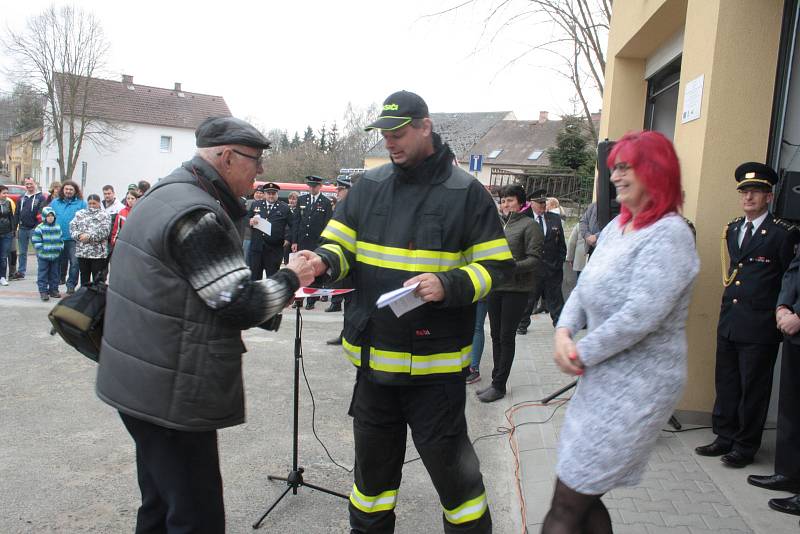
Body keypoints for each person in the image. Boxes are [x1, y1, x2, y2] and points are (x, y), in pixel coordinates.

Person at [299, 90, 513, 533]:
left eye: (398, 134)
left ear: (425, 127)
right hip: (375, 369)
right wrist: (320, 263)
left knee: (460, 489)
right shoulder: (368, 188)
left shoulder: (466, 193)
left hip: (435, 375)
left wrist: (448, 283)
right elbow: (339, 246)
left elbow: (497, 268)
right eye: (384, 135)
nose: (390, 143)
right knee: (371, 487)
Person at [96, 116, 314, 533]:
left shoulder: (167, 192)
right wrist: (292, 278)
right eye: (256, 160)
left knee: (160, 505)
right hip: (169, 392)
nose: (261, 171)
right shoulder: (196, 213)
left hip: (141, 379)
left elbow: (191, 291)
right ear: (227, 157)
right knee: (197, 517)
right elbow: (237, 303)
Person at [544, 130, 699, 533]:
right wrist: (564, 330)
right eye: (614, 168)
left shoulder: (670, 235)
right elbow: (584, 286)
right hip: (602, 378)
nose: (615, 176)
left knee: (569, 498)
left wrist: (580, 352)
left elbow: (639, 316)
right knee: (583, 493)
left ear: (656, 171)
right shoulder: (618, 226)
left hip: (639, 386)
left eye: (626, 167)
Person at [695, 162, 799, 468]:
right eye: (744, 192)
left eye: (756, 192)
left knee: (753, 388)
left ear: (769, 196)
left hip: (760, 324)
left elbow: (788, 278)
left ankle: (745, 445)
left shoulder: (783, 234)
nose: (748, 197)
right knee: (726, 383)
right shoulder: (733, 229)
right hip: (731, 320)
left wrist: (782, 310)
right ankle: (724, 436)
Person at [477, 184, 543, 403]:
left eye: (510, 200)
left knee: (506, 337)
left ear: (521, 202)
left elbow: (534, 259)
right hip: (496, 287)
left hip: (516, 290)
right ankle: (496, 380)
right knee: (495, 335)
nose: (505, 204)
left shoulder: (530, 225)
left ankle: (499, 385)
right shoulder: (499, 225)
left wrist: (512, 267)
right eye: (503, 200)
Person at [746, 247, 800, 517]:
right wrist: (783, 306)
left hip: (797, 322)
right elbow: (794, 271)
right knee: (791, 409)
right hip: (793, 329)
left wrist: (798, 315)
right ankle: (788, 474)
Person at [517, 189, 566, 333]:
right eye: (539, 203)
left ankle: (560, 325)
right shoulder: (523, 219)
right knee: (529, 299)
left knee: (556, 298)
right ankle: (522, 325)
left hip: (552, 267)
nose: (543, 205)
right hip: (532, 268)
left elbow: (561, 243)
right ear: (531, 203)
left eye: (544, 202)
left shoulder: (554, 218)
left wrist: (559, 262)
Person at [292, 174, 333, 310]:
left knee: (314, 272)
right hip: (303, 241)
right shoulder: (302, 200)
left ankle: (311, 300)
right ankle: (298, 299)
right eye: (310, 186)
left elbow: (327, 225)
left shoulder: (325, 202)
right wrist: (294, 241)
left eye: (314, 186)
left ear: (320, 186)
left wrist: (324, 244)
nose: (311, 188)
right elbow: (296, 222)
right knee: (299, 270)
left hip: (317, 243)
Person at [51, 180, 87, 295]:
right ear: (63, 190)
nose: (68, 191)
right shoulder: (55, 202)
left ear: (75, 191)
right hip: (58, 238)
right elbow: (48, 217)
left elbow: (86, 221)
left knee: (75, 263)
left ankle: (71, 285)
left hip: (74, 239)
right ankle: (55, 284)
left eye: (71, 189)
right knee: (57, 263)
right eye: (66, 189)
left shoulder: (81, 203)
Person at [248, 182, 291, 280]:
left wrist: (288, 239)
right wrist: (250, 221)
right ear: (265, 194)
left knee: (272, 279)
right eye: (269, 193)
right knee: (255, 278)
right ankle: (256, 295)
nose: (271, 196)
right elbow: (247, 218)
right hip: (257, 248)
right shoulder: (256, 204)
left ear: (277, 194)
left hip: (274, 250)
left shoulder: (284, 207)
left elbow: (292, 225)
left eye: (273, 193)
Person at [70, 193, 111, 286]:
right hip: (82, 252)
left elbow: (105, 231)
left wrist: (89, 236)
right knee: (84, 277)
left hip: (98, 254)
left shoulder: (104, 215)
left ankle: (97, 298)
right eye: (90, 203)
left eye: (94, 203)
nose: (92, 206)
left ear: (99, 203)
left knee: (98, 278)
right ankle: (84, 297)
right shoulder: (80, 214)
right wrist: (79, 235)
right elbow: (72, 228)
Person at [325, 175, 352, 315]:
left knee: (345, 284)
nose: (337, 192)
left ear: (348, 189)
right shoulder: (346, 203)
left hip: (343, 250)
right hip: (345, 249)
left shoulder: (345, 204)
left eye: (340, 189)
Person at [12, 177, 45, 280]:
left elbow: (40, 214)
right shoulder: (21, 198)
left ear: (35, 183)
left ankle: (42, 272)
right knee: (22, 252)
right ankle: (21, 272)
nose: (29, 186)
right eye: (27, 184)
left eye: (31, 184)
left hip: (34, 229)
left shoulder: (41, 197)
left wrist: (36, 227)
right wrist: (15, 228)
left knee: (38, 252)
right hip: (22, 228)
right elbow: (17, 213)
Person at [31, 206, 63, 300]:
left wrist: (60, 248)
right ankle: (43, 291)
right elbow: (36, 241)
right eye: (48, 216)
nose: (50, 218)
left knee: (55, 273)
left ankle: (53, 290)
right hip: (43, 256)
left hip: (55, 255)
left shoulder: (57, 227)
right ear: (44, 217)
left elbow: (61, 240)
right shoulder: (39, 228)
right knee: (43, 273)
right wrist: (42, 250)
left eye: (52, 216)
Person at [0, 185, 17, 286]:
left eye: (7, 193)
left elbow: (11, 217)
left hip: (7, 233)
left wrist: (13, 230)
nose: (6, 195)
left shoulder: (8, 203)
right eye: (4, 193)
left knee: (3, 257)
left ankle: (2, 277)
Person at [284, 191, 299, 265]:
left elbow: (293, 226)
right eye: (290, 199)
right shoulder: (285, 209)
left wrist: (288, 238)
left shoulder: (299, 211)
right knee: (286, 261)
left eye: (294, 199)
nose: (291, 201)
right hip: (284, 238)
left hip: (294, 239)